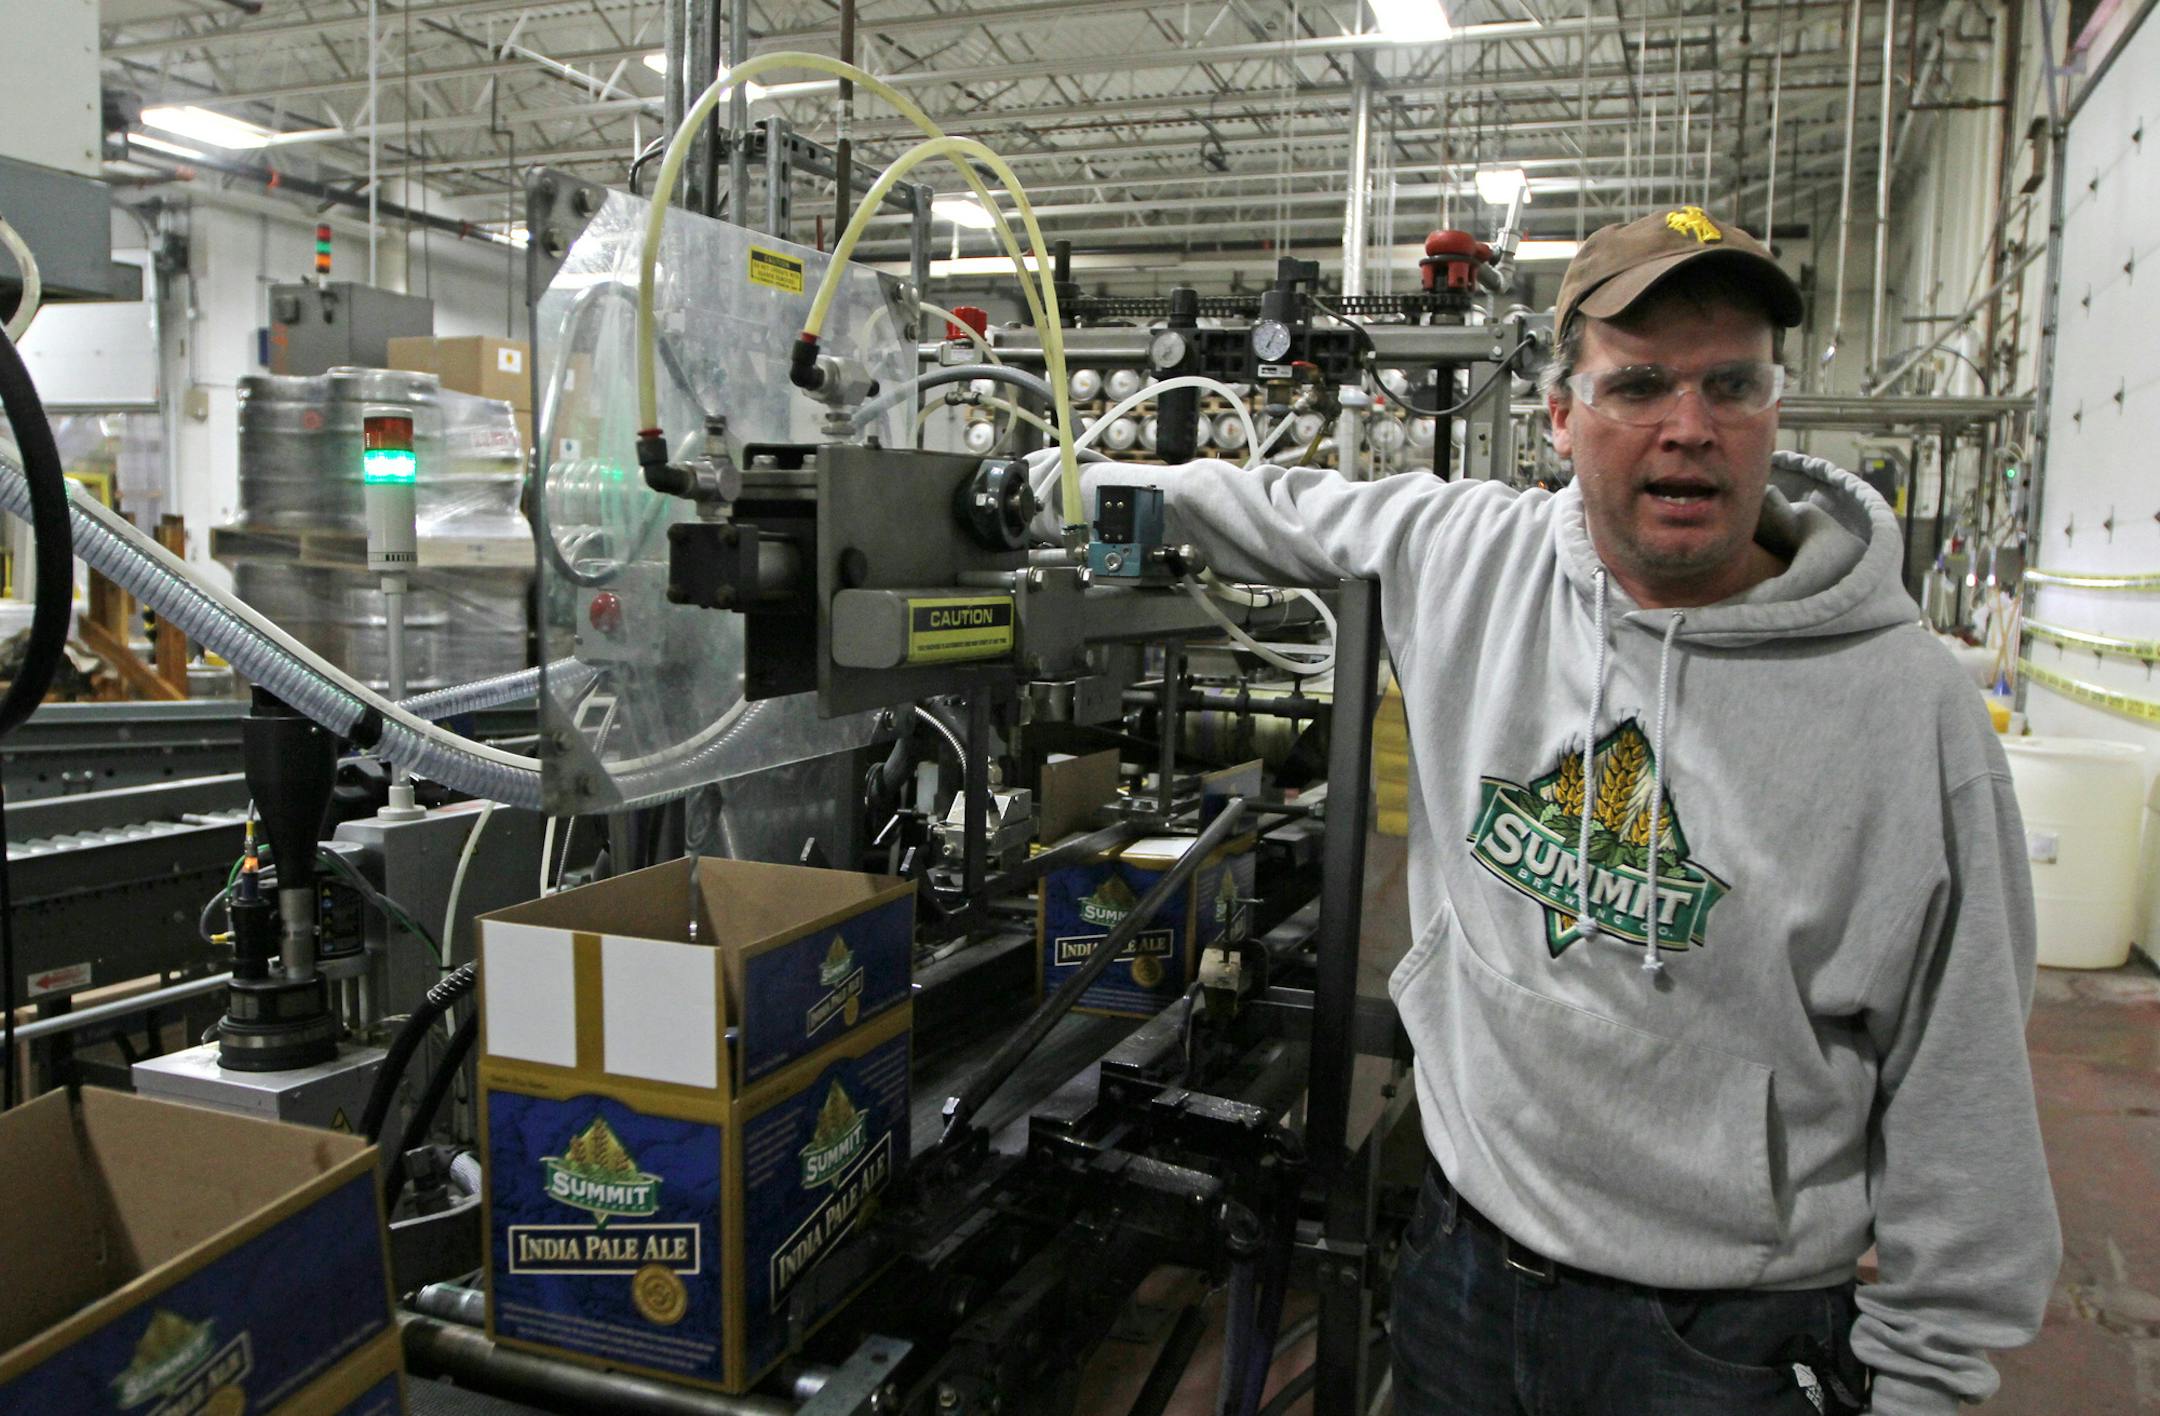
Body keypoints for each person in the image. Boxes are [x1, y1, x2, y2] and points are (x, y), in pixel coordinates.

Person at [1031, 205, 2060, 1414]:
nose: (1691, 427)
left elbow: (1965, 1088)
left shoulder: (1906, 709)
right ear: (1561, 416)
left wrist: (1929, 1384)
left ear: (1775, 410)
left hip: (1722, 1341)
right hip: (1466, 1272)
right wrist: (1047, 483)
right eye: (1639, 387)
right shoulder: (1466, 556)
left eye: (1733, 383)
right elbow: (1267, 504)